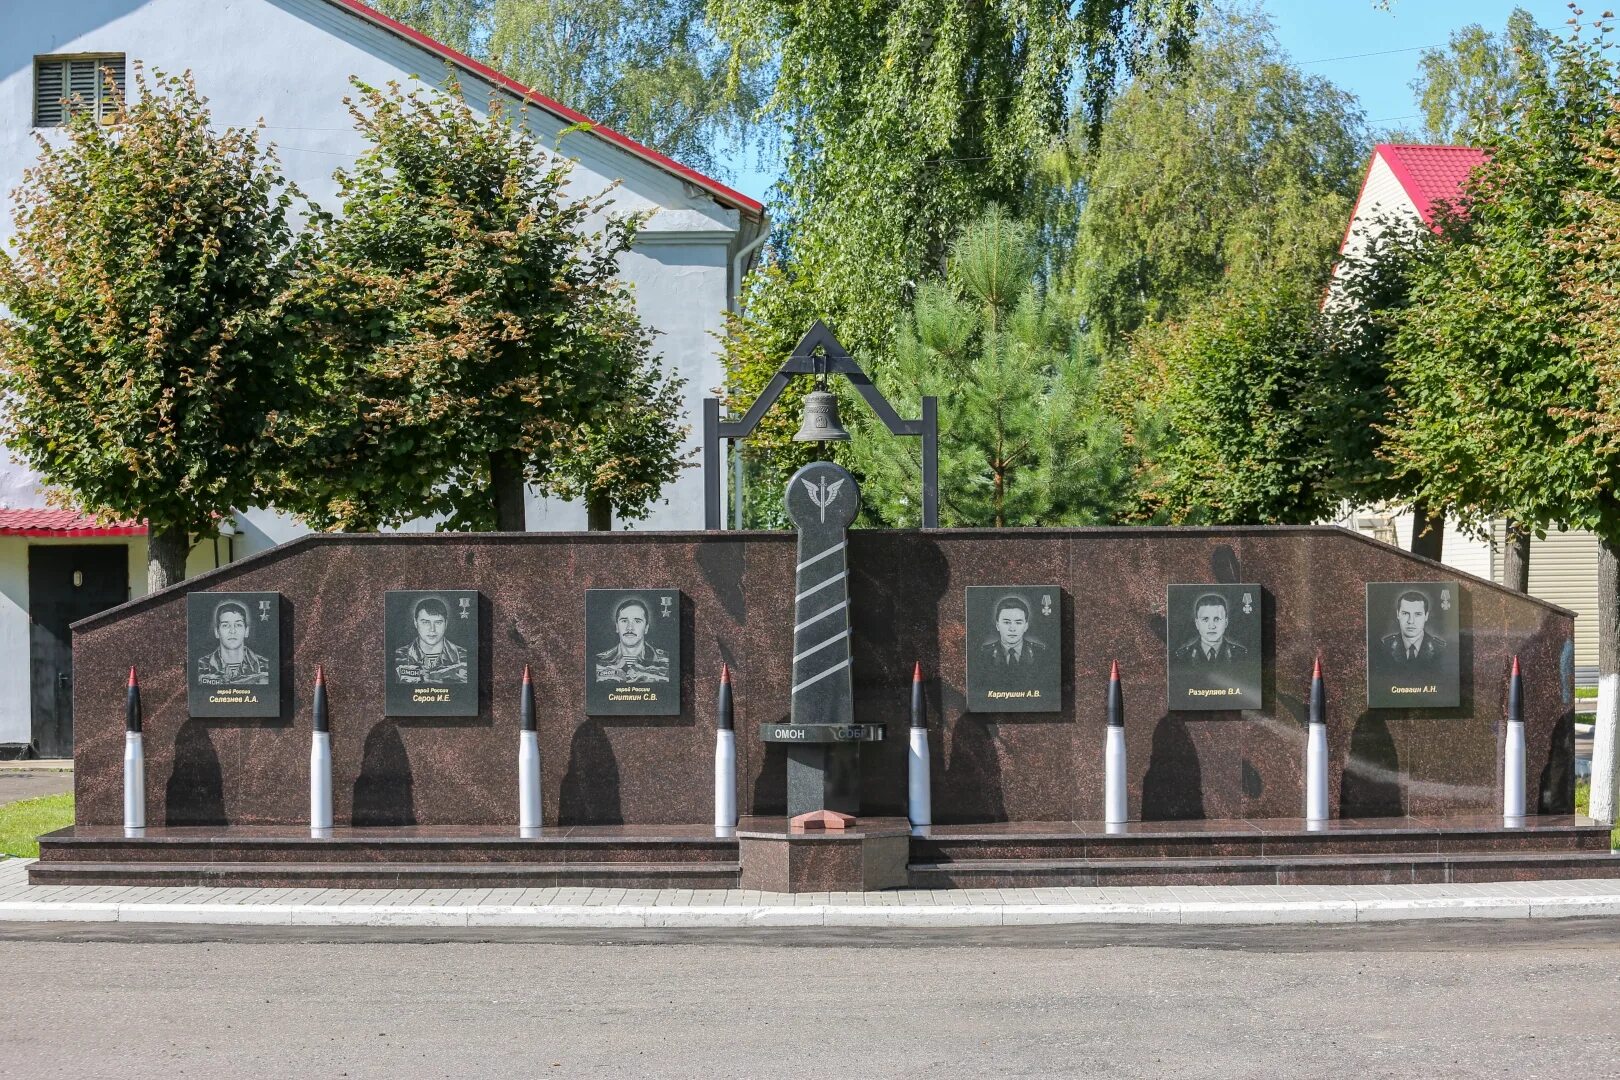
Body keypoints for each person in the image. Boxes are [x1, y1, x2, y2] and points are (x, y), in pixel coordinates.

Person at [393, 596, 468, 685]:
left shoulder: (465, 657)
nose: (432, 629)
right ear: (415, 623)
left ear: (446, 624)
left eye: (438, 622)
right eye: (425, 622)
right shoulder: (397, 657)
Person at [595, 597, 670, 683]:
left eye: (637, 621)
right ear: (617, 627)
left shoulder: (668, 662)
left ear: (646, 628)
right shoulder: (598, 662)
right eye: (624, 621)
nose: (630, 628)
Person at [196, 600, 270, 685]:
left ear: (246, 631)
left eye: (238, 625)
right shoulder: (200, 667)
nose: (232, 631)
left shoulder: (266, 666)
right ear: (217, 632)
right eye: (225, 625)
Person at [978, 595, 1048, 685]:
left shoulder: (1040, 653)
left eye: (1018, 622)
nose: (1012, 628)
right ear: (997, 625)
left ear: (1026, 626)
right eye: (1006, 622)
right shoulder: (984, 654)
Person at [1174, 592, 1248, 663]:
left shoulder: (1241, 655)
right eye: (1205, 619)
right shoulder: (1182, 656)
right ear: (1197, 623)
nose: (1212, 626)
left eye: (1217, 619)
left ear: (1226, 622)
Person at [1381, 589, 1446, 669]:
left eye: (1418, 614)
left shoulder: (1440, 649)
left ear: (1426, 616)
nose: (1411, 621)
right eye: (1405, 613)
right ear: (1398, 614)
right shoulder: (1384, 647)